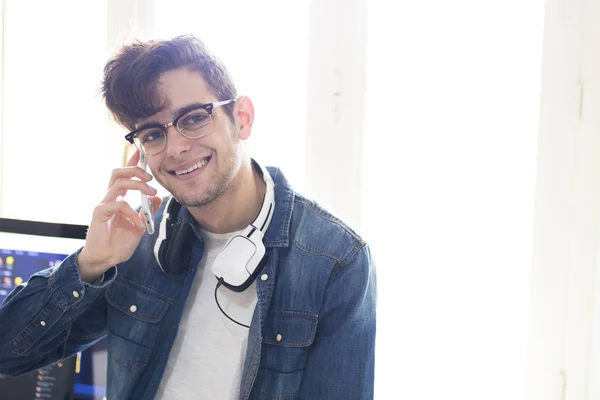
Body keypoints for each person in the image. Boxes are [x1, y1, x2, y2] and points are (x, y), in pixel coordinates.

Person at [0, 35, 377, 400]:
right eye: (152, 134)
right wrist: (89, 265)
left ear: (241, 117)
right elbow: (8, 354)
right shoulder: (136, 242)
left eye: (194, 118)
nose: (177, 148)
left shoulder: (336, 259)